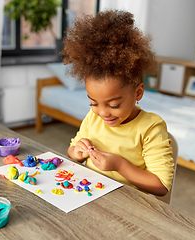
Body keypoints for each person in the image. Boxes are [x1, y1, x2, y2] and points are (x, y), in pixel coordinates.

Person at [63, 9, 174, 196]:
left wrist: (120, 165)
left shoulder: (150, 127)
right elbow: (72, 149)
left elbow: (161, 186)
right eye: (93, 103)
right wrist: (77, 152)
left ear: (138, 93)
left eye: (114, 105)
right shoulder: (93, 118)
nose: (103, 113)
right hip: (87, 194)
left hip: (126, 204)